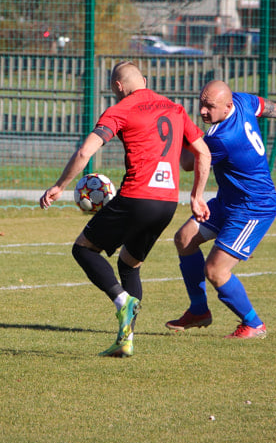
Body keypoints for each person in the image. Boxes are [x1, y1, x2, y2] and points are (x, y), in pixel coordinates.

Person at [40, 61, 211, 358]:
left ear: (118, 87)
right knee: (129, 263)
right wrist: (197, 196)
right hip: (167, 204)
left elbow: (85, 151)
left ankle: (121, 300)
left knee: (83, 249)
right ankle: (126, 339)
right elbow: (203, 152)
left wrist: (60, 185)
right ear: (143, 80)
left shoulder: (121, 108)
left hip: (136, 197)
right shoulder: (175, 108)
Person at [165, 80, 276, 339]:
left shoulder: (222, 137)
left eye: (210, 107)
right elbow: (270, 108)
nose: (204, 112)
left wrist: (176, 133)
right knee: (184, 239)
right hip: (229, 201)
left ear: (227, 105)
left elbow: (187, 162)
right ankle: (198, 311)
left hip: (253, 208)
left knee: (216, 271)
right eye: (201, 104)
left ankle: (254, 324)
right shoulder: (240, 101)